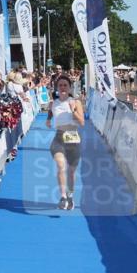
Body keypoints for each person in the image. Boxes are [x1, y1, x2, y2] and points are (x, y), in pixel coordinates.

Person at [46, 74, 84, 210]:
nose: (62, 87)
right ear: (56, 87)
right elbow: (51, 111)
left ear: (70, 88)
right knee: (61, 166)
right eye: (60, 85)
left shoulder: (76, 102)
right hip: (58, 138)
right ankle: (62, 197)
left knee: (71, 172)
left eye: (65, 85)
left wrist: (73, 109)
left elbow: (82, 122)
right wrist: (48, 119)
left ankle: (70, 196)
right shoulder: (52, 103)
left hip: (73, 137)